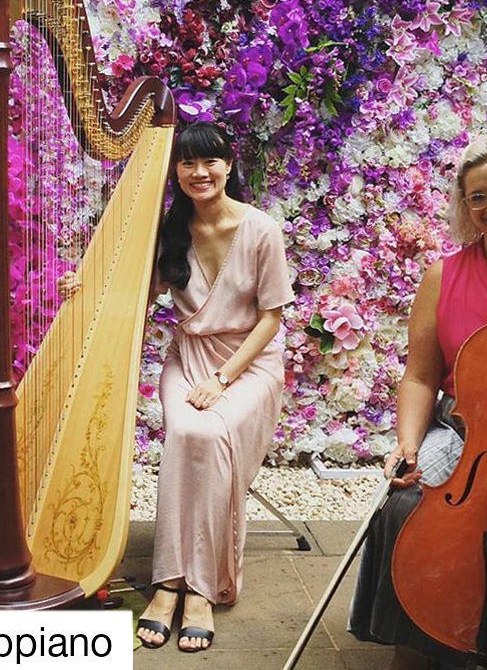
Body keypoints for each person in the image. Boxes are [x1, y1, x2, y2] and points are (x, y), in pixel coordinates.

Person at [348, 134, 487, 670]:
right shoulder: (444, 274)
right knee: (405, 503)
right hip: (468, 433)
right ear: (465, 207)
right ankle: (417, 643)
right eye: (478, 197)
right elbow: (420, 377)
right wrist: (408, 444)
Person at [135, 121, 294, 652]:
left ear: (229, 165)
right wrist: (79, 285)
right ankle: (170, 580)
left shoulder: (261, 229)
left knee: (207, 435)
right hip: (189, 358)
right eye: (186, 163)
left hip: (249, 364)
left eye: (210, 162)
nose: (199, 172)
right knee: (186, 434)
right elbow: (135, 294)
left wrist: (223, 380)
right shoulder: (169, 230)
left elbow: (272, 318)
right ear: (174, 171)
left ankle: (196, 587)